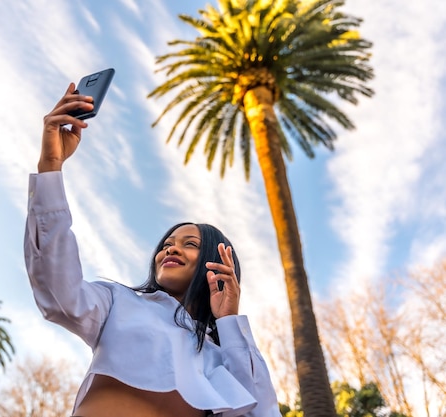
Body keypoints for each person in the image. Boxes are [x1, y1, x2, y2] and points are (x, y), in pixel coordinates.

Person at [24, 83, 281, 417]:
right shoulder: (117, 302)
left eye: (190, 245)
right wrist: (50, 167)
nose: (171, 249)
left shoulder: (220, 353)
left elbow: (259, 410)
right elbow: (57, 290)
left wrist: (229, 321)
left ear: (213, 265)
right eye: (167, 244)